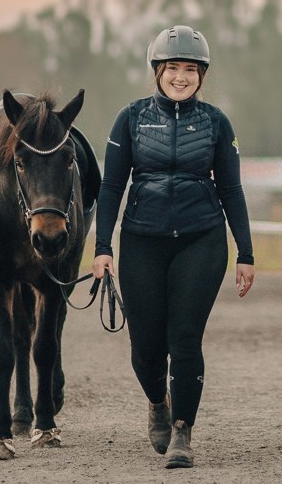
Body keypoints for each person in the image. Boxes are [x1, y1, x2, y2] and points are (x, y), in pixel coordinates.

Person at [92, 25, 255, 469]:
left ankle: (183, 429)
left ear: (201, 74)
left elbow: (233, 191)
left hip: (201, 239)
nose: (180, 77)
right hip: (142, 240)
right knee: (145, 347)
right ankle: (157, 402)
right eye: (172, 69)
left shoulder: (217, 123)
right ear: (158, 71)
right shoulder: (130, 119)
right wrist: (102, 246)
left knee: (185, 339)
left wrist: (246, 251)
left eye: (189, 69)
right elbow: (110, 188)